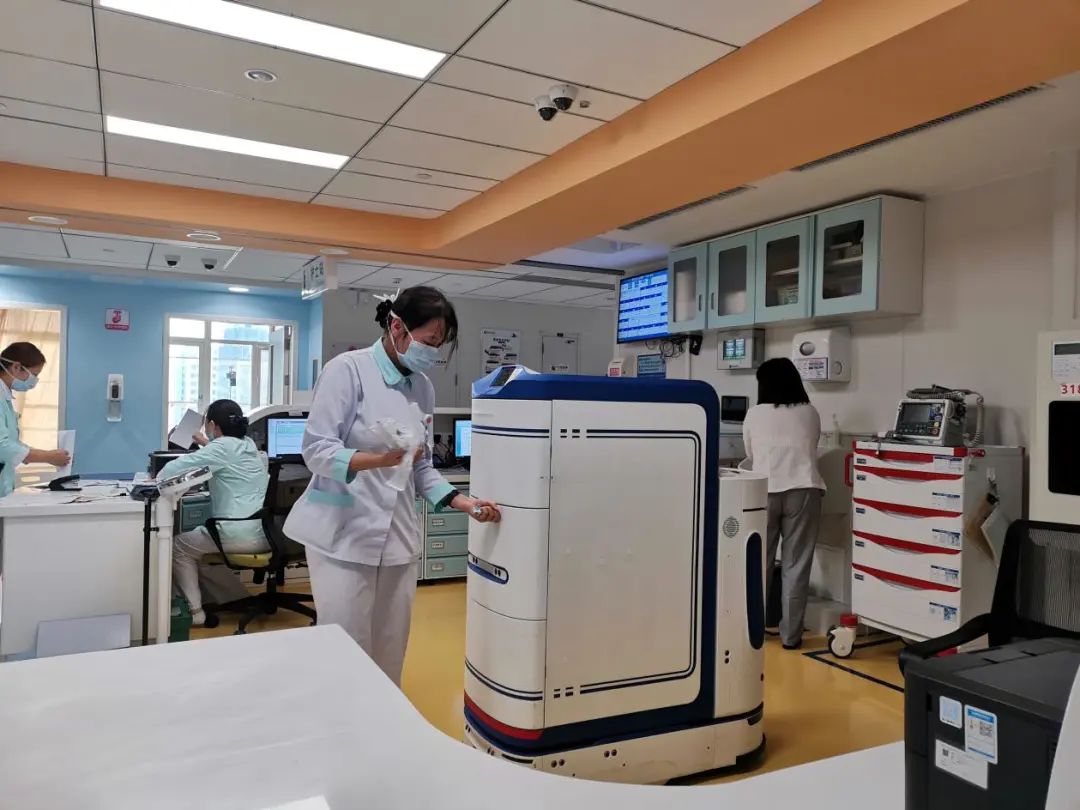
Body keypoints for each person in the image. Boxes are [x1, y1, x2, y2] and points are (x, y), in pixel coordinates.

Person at [284, 286, 500, 686]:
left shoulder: (423, 387)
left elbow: (422, 467)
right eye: (429, 341)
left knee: (390, 646)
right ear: (397, 328)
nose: (432, 352)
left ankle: (383, 719)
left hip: (397, 537)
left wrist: (465, 503)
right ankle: (342, 720)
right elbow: (316, 451)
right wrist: (379, 460)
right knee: (345, 648)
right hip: (343, 535)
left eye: (439, 345)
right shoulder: (347, 371)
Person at [158, 399, 270, 626]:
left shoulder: (221, 448)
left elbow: (170, 470)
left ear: (211, 425)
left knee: (178, 547)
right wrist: (206, 443)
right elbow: (226, 453)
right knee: (197, 546)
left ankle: (195, 612)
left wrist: (157, 476)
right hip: (262, 533)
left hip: (236, 534)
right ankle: (232, 598)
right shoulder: (248, 444)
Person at [741, 357, 825, 650]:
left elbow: (750, 453)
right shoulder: (810, 412)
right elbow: (812, 446)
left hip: (763, 490)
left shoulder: (754, 414)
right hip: (804, 490)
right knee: (796, 564)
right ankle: (791, 636)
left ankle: (753, 631)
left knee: (759, 562)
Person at [0, 341, 71, 498]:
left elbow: (11, 443)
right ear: (16, 367)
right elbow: (2, 446)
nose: (34, 381)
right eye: (34, 375)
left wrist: (49, 455)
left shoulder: (5, 398)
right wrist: (47, 457)